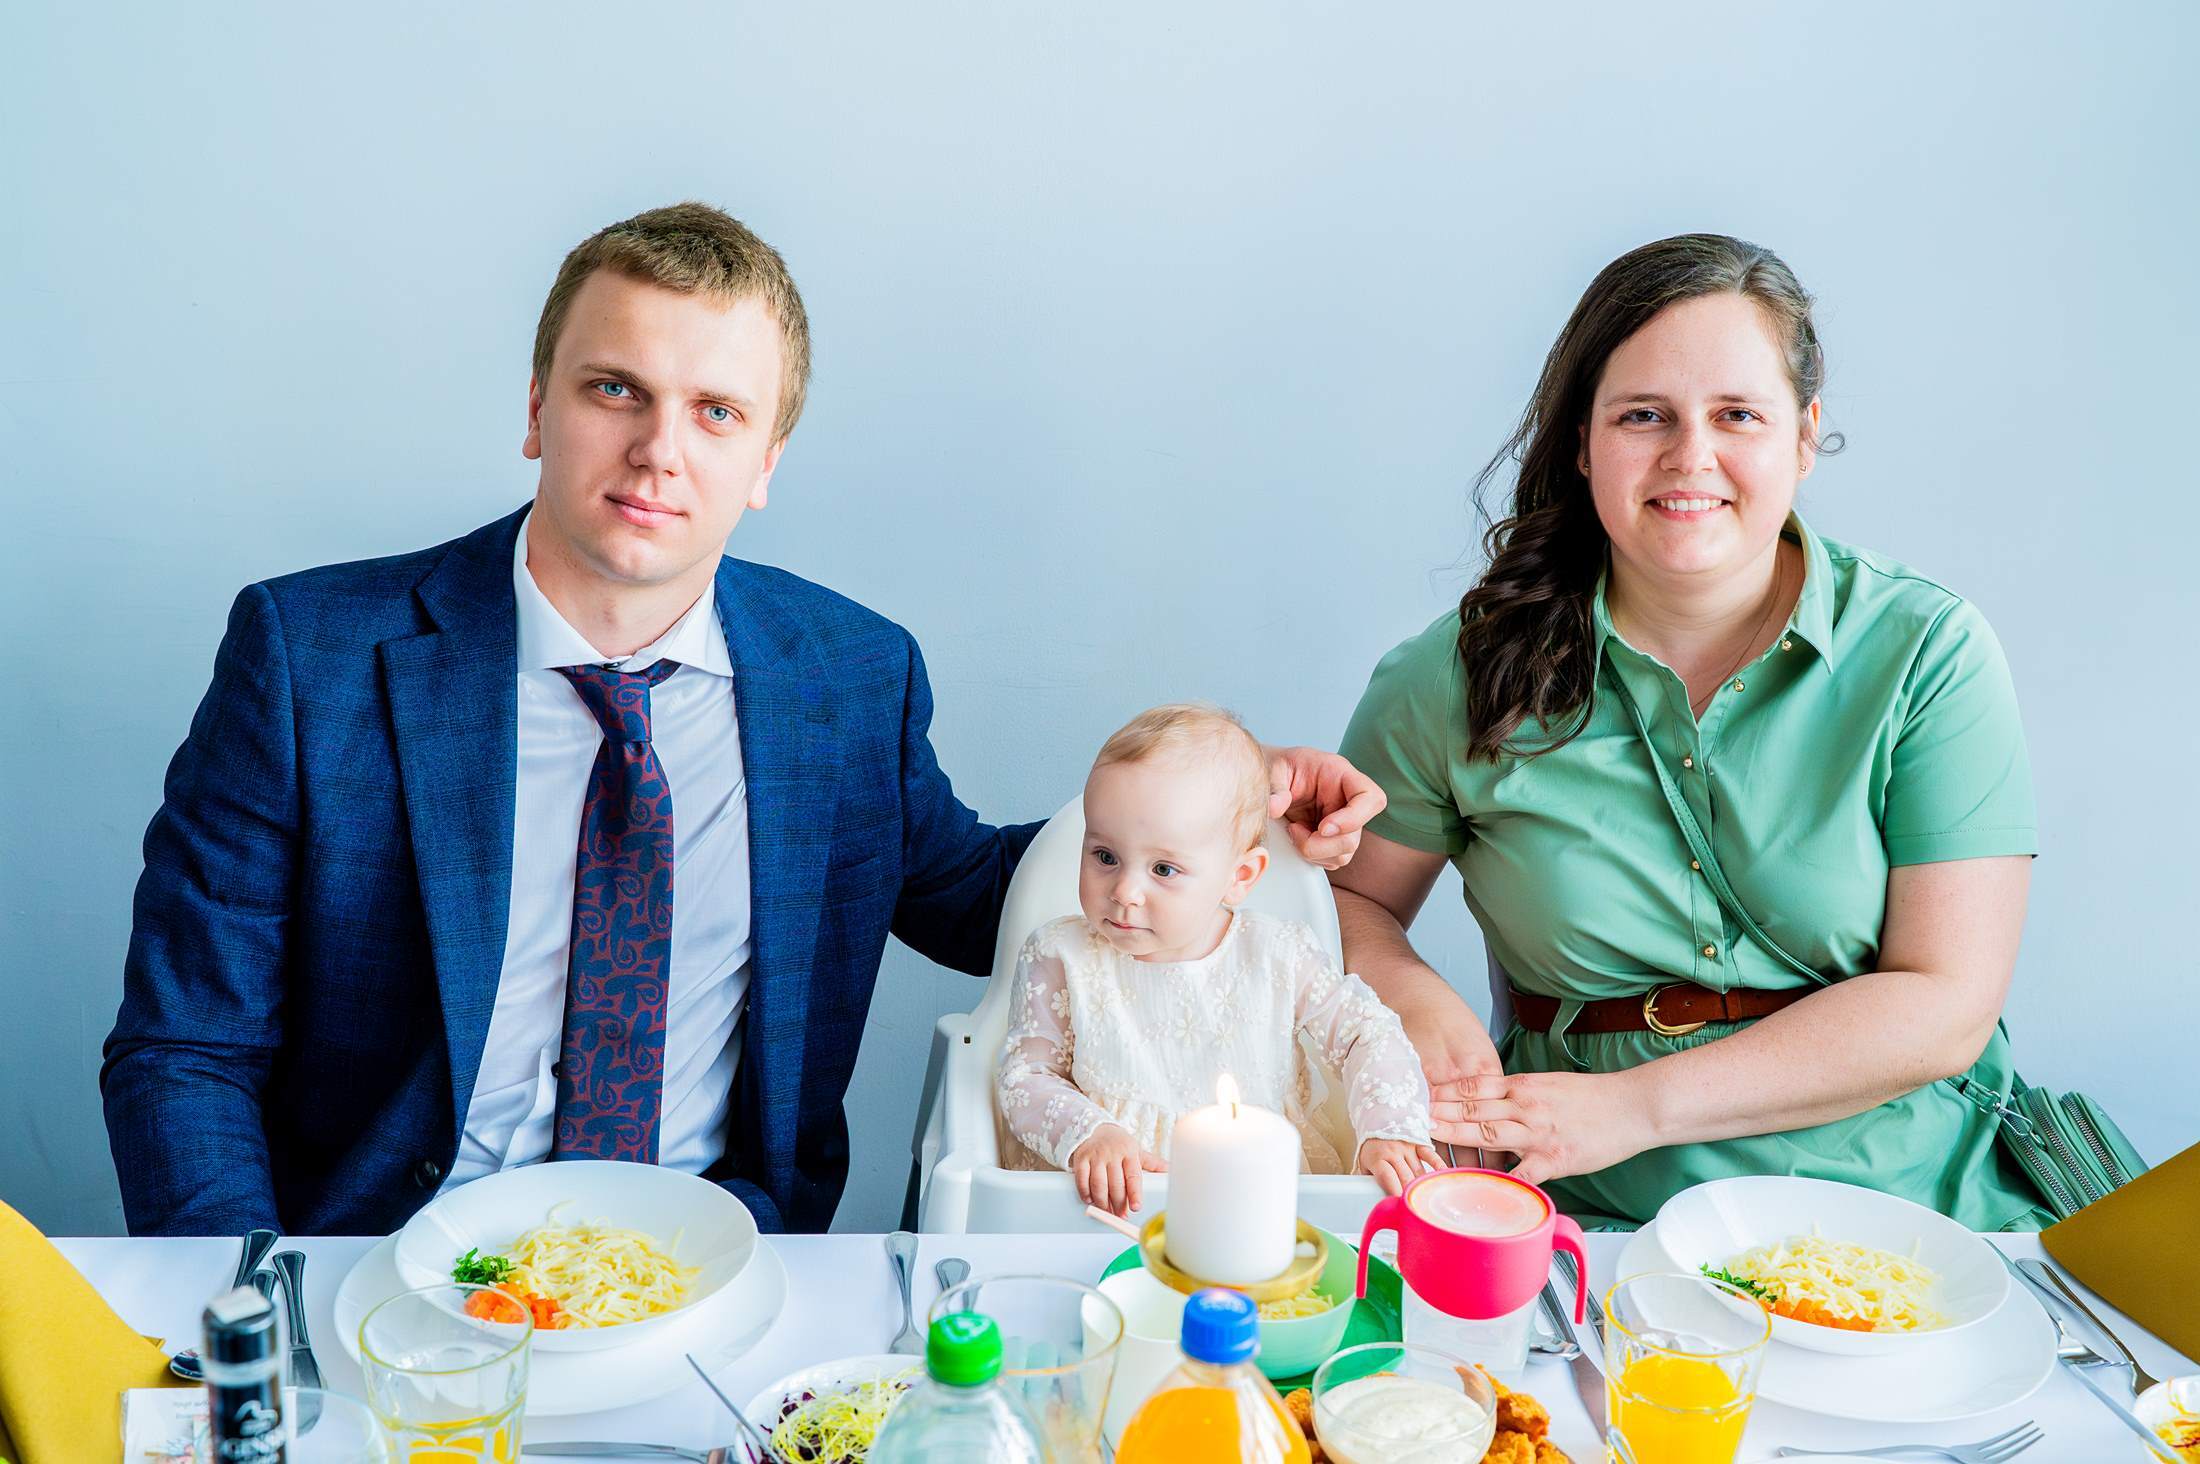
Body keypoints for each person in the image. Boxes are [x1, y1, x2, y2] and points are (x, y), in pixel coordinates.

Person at [102, 202, 1383, 1237]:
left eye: (717, 412)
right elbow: (184, 1051)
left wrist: (1222, 811)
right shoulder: (310, 661)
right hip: (379, 1264)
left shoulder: (850, 678)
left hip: (722, 1261)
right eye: (616, 389)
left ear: (765, 461)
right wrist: (258, 1317)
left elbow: (978, 894)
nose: (661, 449)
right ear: (537, 409)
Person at [1332, 233, 2052, 1230]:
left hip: (1910, 1210)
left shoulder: (1928, 652)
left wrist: (1632, 1108)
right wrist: (1412, 997)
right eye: (1643, 415)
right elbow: (1344, 899)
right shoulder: (1455, 674)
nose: (1689, 457)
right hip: (1585, 1218)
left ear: (1803, 436)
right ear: (1582, 442)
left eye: (1737, 415)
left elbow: (1947, 1005)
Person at [997, 704, 1438, 1215]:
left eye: (1164, 869)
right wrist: (1088, 1133)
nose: (1124, 891)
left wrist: (1387, 1128)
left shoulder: (1278, 954)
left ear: (1240, 877)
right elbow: (1026, 1075)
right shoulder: (1060, 954)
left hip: (1258, 1193)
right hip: (1115, 1199)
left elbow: (1368, 1032)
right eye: (1105, 856)